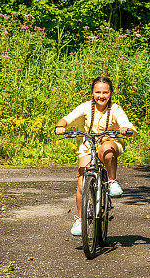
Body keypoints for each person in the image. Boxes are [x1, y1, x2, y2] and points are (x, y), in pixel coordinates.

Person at [54, 76, 136, 236]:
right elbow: (66, 119)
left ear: (110, 93)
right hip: (88, 146)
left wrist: (125, 128)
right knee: (81, 182)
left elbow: (124, 121)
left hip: (109, 142)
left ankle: (112, 181)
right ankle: (80, 219)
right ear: (92, 93)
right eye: (98, 92)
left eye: (105, 92)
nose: (101, 95)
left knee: (106, 149)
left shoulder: (115, 109)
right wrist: (60, 126)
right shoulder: (85, 107)